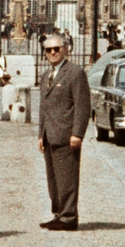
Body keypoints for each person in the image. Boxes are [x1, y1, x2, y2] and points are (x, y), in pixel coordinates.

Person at [38, 34, 90, 231]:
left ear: (65, 49)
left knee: (67, 178)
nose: (52, 53)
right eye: (48, 50)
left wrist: (77, 133)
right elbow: (44, 107)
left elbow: (82, 105)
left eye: (56, 49)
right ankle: (58, 214)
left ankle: (69, 217)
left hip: (66, 135)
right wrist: (40, 135)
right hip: (49, 135)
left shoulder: (75, 73)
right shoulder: (46, 76)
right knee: (53, 179)